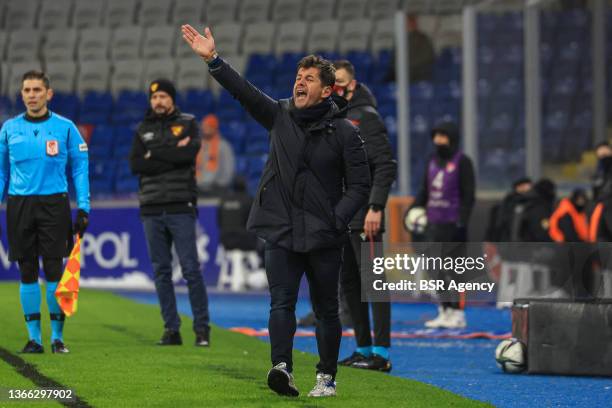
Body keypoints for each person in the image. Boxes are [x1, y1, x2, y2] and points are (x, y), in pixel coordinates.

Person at [182, 25, 370, 398]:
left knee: (326, 309)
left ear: (327, 90)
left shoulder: (346, 132)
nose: (300, 83)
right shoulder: (280, 115)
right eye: (298, 77)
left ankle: (326, 377)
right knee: (280, 302)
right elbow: (245, 93)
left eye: (309, 79)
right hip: (281, 229)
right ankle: (281, 367)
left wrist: (337, 220)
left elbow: (361, 186)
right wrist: (213, 61)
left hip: (324, 234)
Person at [0, 70, 90, 354]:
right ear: (21, 94)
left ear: (48, 94)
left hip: (54, 205)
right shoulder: (9, 129)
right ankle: (34, 338)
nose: (31, 95)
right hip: (19, 205)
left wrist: (84, 207)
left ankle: (58, 338)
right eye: (27, 90)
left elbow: (80, 168)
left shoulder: (65, 128)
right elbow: (2, 172)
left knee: (53, 270)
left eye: (37, 90)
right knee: (26, 270)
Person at [129, 78, 211, 347]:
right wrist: (170, 153)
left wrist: (155, 156)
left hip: (181, 205)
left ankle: (201, 330)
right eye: (154, 98)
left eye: (163, 96)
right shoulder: (141, 129)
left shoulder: (189, 122)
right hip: (151, 208)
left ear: (172, 99)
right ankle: (171, 330)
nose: (158, 101)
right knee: (161, 272)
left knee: (190, 270)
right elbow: (136, 164)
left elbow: (187, 156)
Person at [332, 60, 397, 372]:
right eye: (334, 84)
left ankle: (381, 353)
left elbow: (385, 164)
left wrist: (376, 207)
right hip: (344, 214)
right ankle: (362, 347)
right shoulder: (335, 117)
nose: (338, 89)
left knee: (375, 283)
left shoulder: (365, 117)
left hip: (365, 214)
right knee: (350, 284)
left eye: (342, 83)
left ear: (353, 84)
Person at [412, 122, 475, 329]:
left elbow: (468, 195)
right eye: (436, 136)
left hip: (453, 224)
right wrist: (413, 210)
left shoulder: (462, 162)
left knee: (455, 270)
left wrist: (462, 222)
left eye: (443, 136)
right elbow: (424, 191)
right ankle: (444, 309)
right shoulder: (431, 160)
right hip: (433, 223)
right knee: (433, 268)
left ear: (452, 138)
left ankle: (458, 312)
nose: (438, 140)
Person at [385, 13, 436, 83]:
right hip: (400, 72)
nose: (408, 25)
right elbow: (394, 58)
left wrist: (408, 65)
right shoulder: (401, 39)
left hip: (418, 73)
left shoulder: (423, 38)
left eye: (410, 22)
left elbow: (428, 57)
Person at [196, 113, 236, 196]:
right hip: (198, 188)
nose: (205, 128)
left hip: (217, 188)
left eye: (208, 126)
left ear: (214, 128)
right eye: (204, 126)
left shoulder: (224, 146)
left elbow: (228, 170)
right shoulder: (198, 145)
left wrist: (219, 184)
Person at [485, 177, 532, 242]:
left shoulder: (534, 202)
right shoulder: (508, 202)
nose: (526, 188)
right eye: (523, 186)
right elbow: (498, 223)